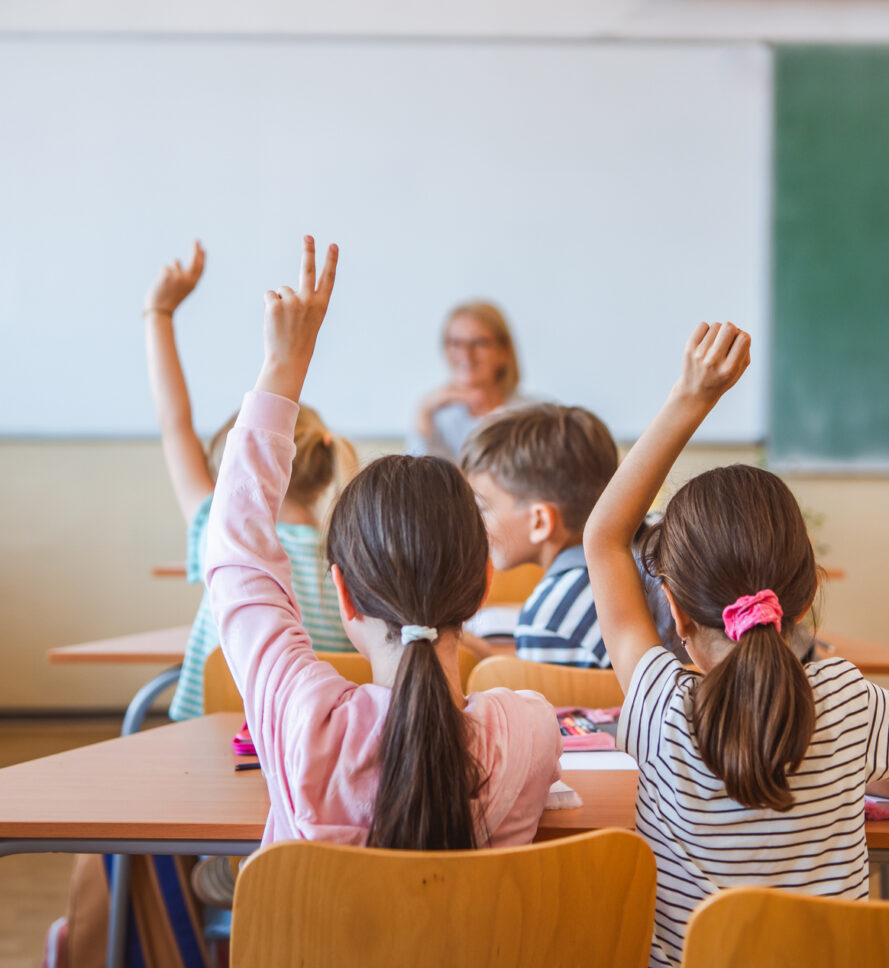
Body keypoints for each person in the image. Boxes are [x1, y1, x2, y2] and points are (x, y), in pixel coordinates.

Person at [583, 320, 889, 967]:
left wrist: (691, 398)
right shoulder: (849, 700)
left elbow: (604, 540)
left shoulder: (659, 707)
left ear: (674, 610)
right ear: (808, 596)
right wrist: (849, 772)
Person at [206, 237, 561, 850]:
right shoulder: (528, 731)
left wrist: (283, 368)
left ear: (343, 593)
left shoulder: (301, 719)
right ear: (482, 581)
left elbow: (235, 550)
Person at [143, 241, 357, 719]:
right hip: (317, 759)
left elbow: (173, 422)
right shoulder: (350, 566)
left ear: (229, 481)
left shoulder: (223, 534)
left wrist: (158, 312)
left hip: (214, 752)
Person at [460, 403, 620, 667]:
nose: (474, 522)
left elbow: (555, 699)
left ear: (540, 522)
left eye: (483, 508)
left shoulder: (549, 622)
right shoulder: (637, 553)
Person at [408, 301, 527, 461]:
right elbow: (417, 478)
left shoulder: (532, 415)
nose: (466, 354)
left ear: (503, 350)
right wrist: (424, 410)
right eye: (455, 343)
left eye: (479, 343)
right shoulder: (437, 417)